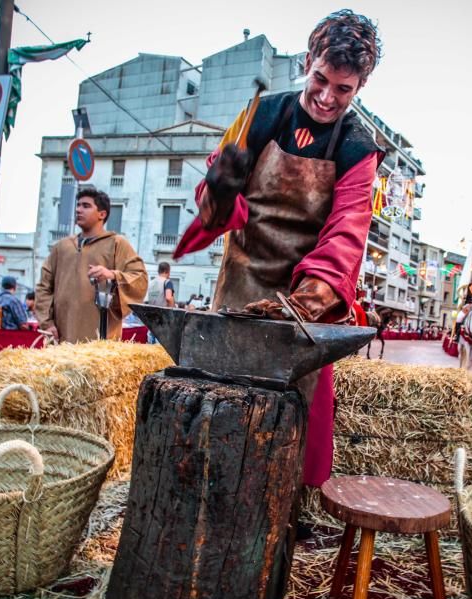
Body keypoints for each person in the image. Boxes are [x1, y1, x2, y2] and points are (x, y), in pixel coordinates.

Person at [173, 10, 384, 494]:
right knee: (219, 425)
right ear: (307, 61)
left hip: (301, 307)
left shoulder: (358, 148)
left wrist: (306, 301)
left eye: (344, 89)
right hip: (238, 289)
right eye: (321, 79)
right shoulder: (262, 115)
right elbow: (212, 209)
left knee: (286, 438)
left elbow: (347, 231)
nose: (328, 97)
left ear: (361, 87)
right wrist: (220, 191)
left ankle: (281, 519)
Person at [35, 188, 148, 342]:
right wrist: (47, 323)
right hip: (61, 339)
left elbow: (139, 278)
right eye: (78, 205)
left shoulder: (117, 244)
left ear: (102, 214)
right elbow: (44, 286)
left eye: (86, 206)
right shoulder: (62, 247)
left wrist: (113, 275)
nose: (78, 209)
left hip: (99, 343)